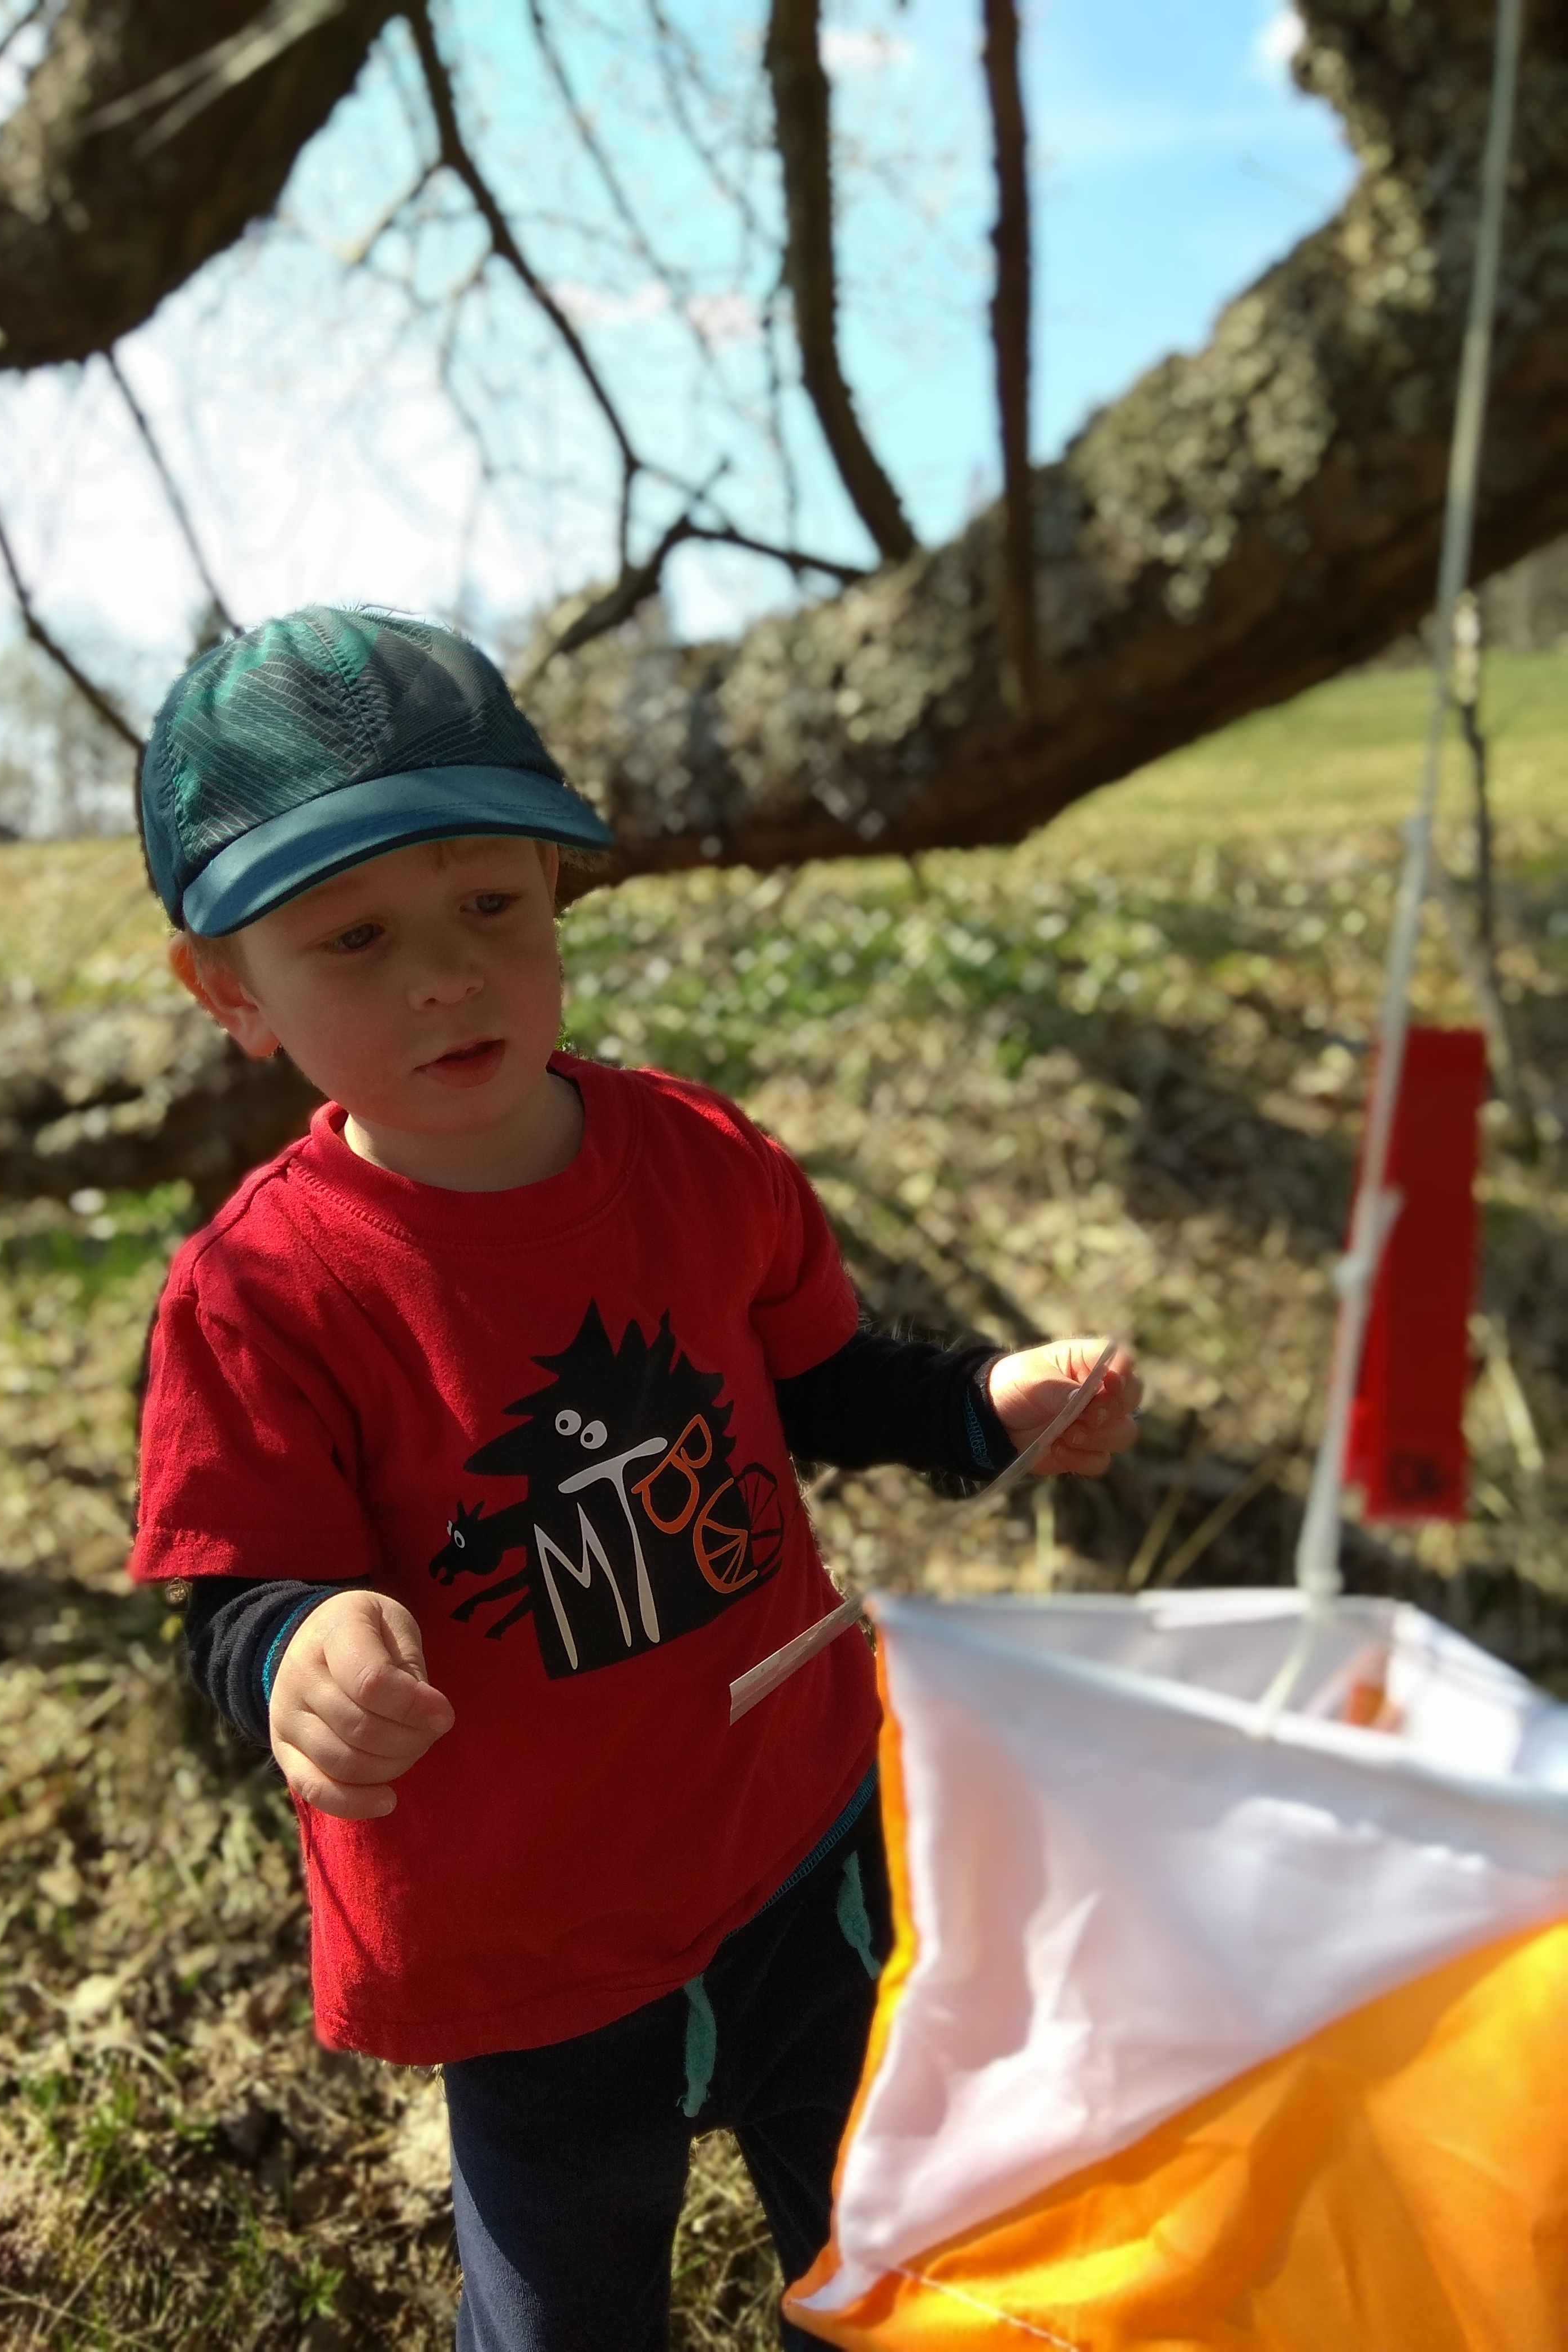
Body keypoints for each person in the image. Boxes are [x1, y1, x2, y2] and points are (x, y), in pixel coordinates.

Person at [129, 605, 1141, 2351]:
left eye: (489, 906)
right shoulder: (265, 1295)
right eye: (354, 938)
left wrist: (983, 1403)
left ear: (557, 891)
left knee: (897, 2263)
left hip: (798, 1846)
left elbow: (820, 1380)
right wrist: (296, 1654)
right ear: (229, 992)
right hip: (533, 1945)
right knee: (569, 2317)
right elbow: (233, 1592)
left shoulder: (695, 1157)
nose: (446, 977)